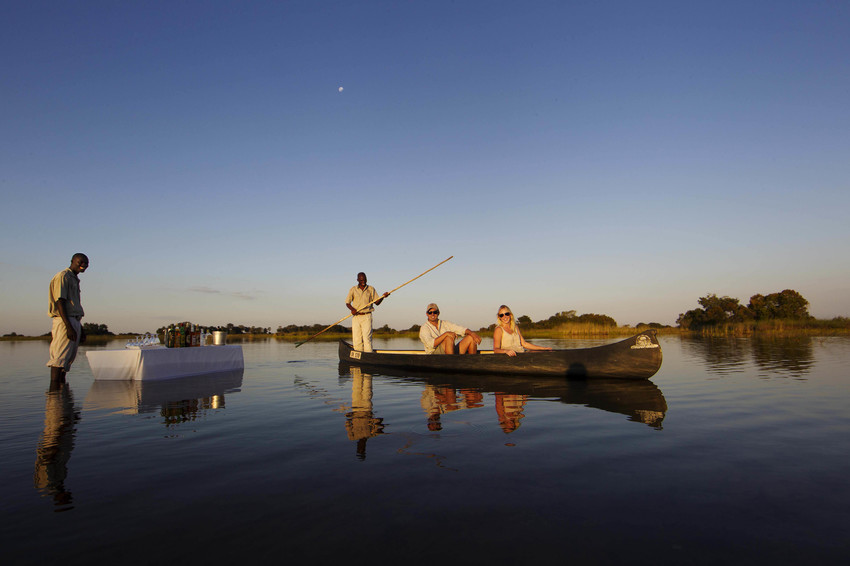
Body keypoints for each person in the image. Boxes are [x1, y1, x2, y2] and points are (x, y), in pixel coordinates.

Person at [47, 253, 89, 383]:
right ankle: (54, 395)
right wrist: (68, 326)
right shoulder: (63, 276)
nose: (83, 265)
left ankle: (62, 395)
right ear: (72, 261)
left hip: (73, 320)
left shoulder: (74, 279)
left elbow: (73, 306)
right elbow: (60, 301)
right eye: (80, 262)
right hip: (64, 321)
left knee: (66, 361)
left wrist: (79, 328)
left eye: (86, 264)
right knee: (59, 359)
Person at [345, 272, 389, 352]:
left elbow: (377, 303)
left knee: (367, 338)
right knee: (357, 338)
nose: (363, 281)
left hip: (367, 316)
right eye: (361, 279)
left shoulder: (371, 289)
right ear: (357, 280)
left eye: (364, 279)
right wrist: (352, 309)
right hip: (356, 317)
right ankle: (359, 355)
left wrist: (383, 297)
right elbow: (347, 303)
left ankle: (368, 355)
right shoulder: (353, 289)